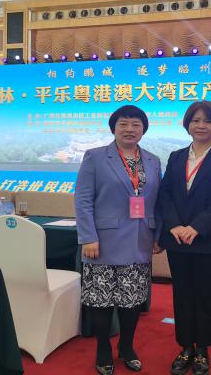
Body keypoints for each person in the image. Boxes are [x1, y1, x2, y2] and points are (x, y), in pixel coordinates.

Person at [75, 105, 162, 375]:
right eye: (123, 124)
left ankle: (126, 346)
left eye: (136, 124)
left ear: (144, 129)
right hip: (102, 242)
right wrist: (88, 237)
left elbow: (158, 202)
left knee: (132, 299)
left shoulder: (153, 160)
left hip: (140, 240)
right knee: (101, 299)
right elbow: (83, 198)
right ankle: (103, 348)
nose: (129, 129)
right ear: (113, 128)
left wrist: (157, 235)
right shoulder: (96, 157)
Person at [158, 100, 211, 375]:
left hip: (209, 239)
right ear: (187, 124)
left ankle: (202, 348)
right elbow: (165, 194)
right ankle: (185, 347)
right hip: (178, 239)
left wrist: (197, 227)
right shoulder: (176, 156)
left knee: (205, 294)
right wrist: (174, 225)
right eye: (195, 120)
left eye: (207, 121)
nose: (201, 125)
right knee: (181, 294)